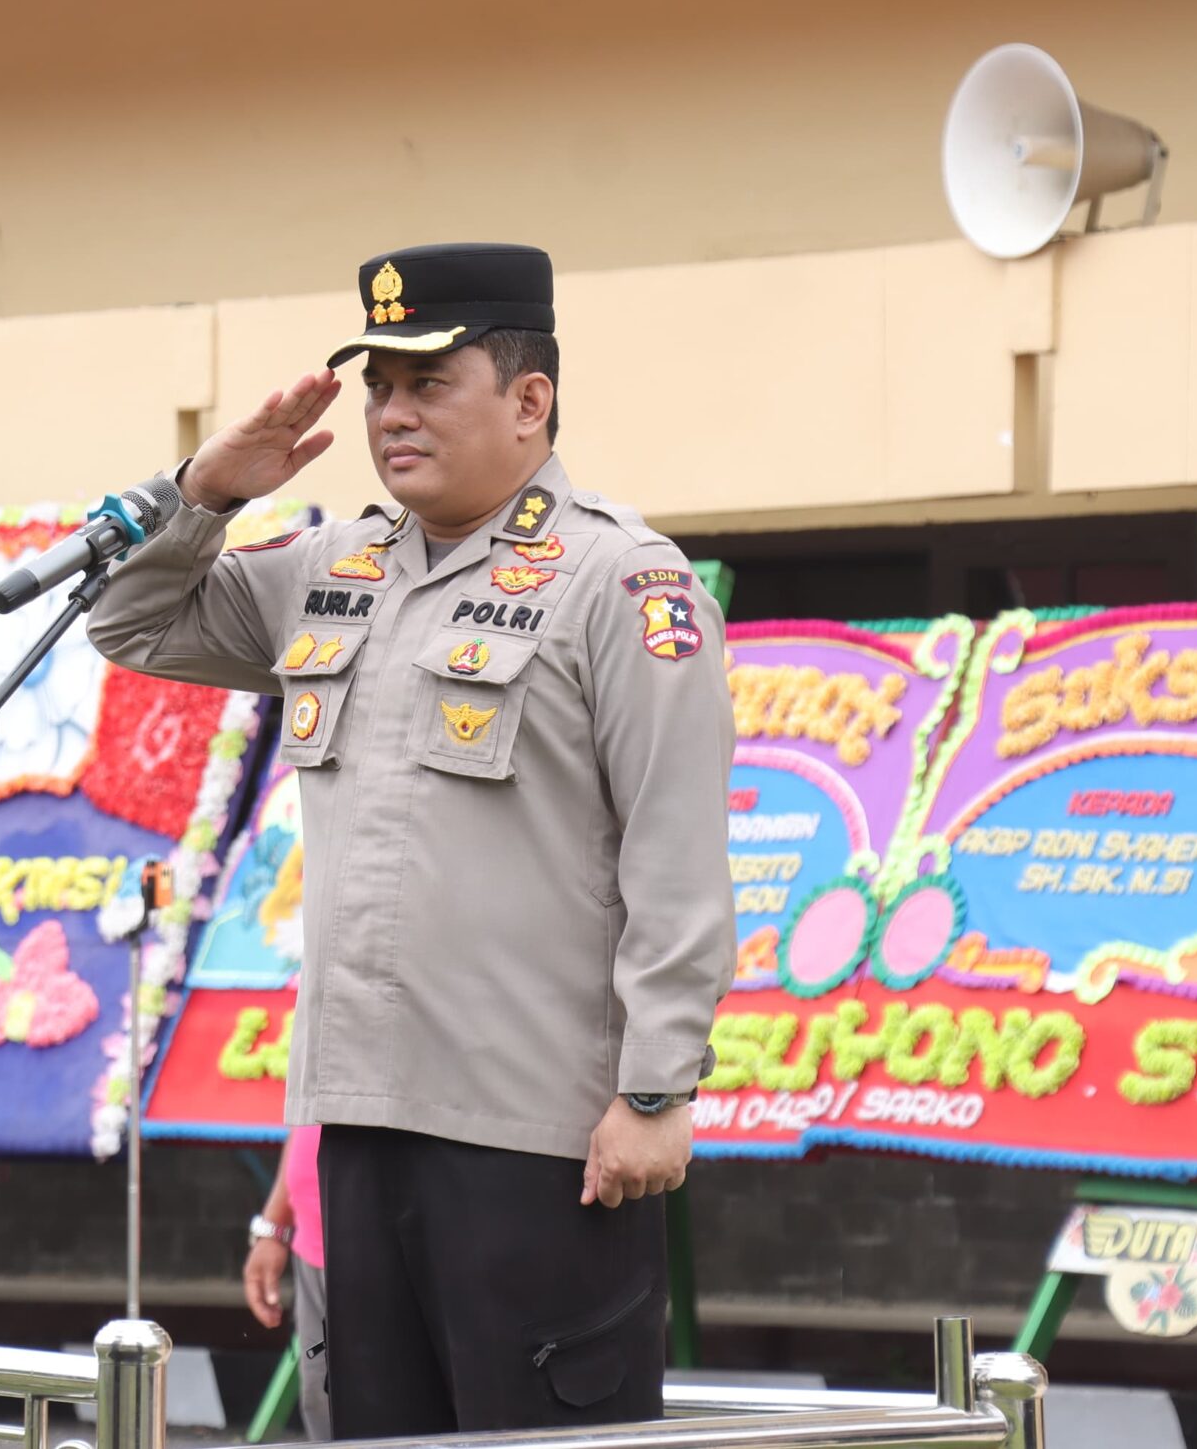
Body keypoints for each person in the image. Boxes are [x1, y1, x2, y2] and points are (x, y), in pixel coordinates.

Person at [88, 243, 734, 1434]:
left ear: (528, 399)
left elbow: (677, 847)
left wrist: (655, 1088)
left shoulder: (620, 580)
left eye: (427, 383)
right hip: (360, 1126)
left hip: (538, 1136)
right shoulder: (330, 571)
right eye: (379, 386)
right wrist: (207, 491)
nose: (391, 413)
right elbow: (130, 622)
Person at [244, 1123, 330, 1440]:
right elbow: (305, 1112)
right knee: (322, 1408)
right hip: (311, 1245)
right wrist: (275, 1225)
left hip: (378, 1247)